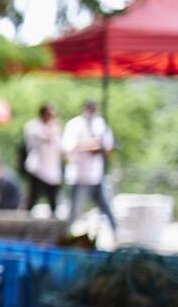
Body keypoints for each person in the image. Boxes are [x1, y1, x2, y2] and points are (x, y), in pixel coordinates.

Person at [62, 99, 117, 234]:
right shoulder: (74, 124)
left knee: (105, 207)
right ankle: (67, 235)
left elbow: (108, 148)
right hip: (78, 176)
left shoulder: (101, 124)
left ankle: (116, 232)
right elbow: (68, 148)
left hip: (96, 176)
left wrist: (99, 149)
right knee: (74, 210)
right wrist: (89, 146)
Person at [22, 103, 63, 214]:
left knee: (53, 198)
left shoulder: (55, 127)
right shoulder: (33, 126)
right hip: (37, 168)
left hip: (52, 168)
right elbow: (39, 139)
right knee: (33, 196)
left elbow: (59, 146)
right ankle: (26, 216)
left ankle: (54, 218)